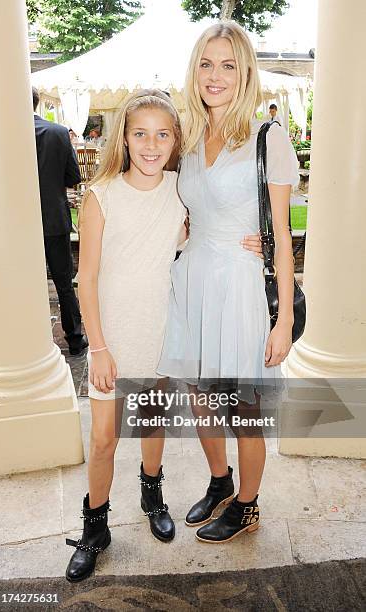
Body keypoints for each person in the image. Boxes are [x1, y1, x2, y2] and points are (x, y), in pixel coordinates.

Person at [64, 87, 264, 582]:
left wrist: (252, 239)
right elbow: (85, 278)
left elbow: (212, 227)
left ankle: (152, 494)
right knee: (106, 438)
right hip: (114, 337)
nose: (151, 145)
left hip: (161, 332)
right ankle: (95, 527)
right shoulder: (101, 194)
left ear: (175, 141)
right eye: (140, 134)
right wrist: (100, 348)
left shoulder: (181, 190)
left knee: (151, 424)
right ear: (124, 139)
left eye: (162, 135)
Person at [157, 21, 299, 543]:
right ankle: (221, 482)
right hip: (192, 278)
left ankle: (248, 505)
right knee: (199, 393)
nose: (215, 76)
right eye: (206, 64)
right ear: (195, 70)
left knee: (245, 405)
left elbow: (281, 237)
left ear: (245, 74)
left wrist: (282, 320)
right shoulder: (189, 137)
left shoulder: (269, 137)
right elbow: (186, 210)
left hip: (239, 284)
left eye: (228, 65)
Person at [32, 87, 88, 356]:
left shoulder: (4, 132)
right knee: (64, 282)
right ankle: (75, 340)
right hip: (54, 217)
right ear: (37, 102)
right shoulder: (57, 133)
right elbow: (73, 177)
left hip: (17, 225)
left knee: (23, 283)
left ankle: (29, 339)